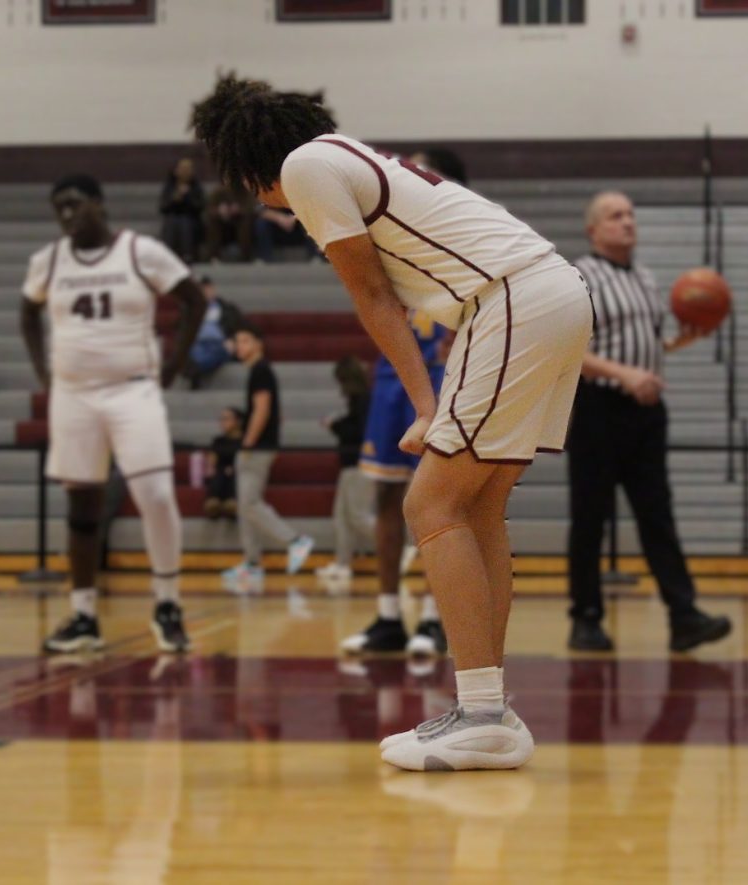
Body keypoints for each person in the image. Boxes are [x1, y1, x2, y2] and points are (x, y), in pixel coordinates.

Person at [192, 74, 594, 771]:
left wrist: (426, 404)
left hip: (511, 302)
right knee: (477, 506)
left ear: (250, 163)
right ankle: (490, 711)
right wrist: (430, 401)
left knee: (431, 502)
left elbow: (374, 298)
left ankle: (480, 713)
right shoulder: (349, 156)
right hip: (550, 293)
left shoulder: (306, 166)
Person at [20, 174, 206, 655]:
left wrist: (173, 367)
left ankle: (167, 603)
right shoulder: (48, 260)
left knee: (157, 494)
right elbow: (26, 311)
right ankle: (83, 615)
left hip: (132, 392)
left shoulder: (139, 251)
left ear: (99, 205)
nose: (66, 214)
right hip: (74, 396)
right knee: (81, 505)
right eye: (58, 207)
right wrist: (43, 372)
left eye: (74, 204)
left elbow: (194, 300)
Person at [567, 191, 732, 654]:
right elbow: (568, 350)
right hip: (599, 407)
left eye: (631, 214)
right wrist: (625, 374)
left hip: (646, 412)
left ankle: (684, 617)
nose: (628, 222)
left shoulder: (645, 276)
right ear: (593, 230)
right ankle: (585, 618)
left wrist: (684, 340)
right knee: (590, 518)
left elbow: (649, 346)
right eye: (615, 216)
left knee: (657, 515)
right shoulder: (581, 276)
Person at [339, 147, 468, 659]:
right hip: (396, 380)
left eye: (421, 170)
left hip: (448, 378)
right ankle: (389, 616)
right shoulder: (389, 233)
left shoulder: (469, 237)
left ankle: (438, 620)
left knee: (444, 504)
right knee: (387, 501)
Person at [220, 322, 315, 592]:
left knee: (249, 504)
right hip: (260, 445)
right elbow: (277, 414)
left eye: (245, 341)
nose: (240, 347)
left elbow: (263, 409)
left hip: (257, 447)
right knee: (245, 506)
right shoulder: (259, 372)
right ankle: (251, 564)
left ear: (258, 343)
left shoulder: (260, 370)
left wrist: (248, 443)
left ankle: (295, 540)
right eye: (237, 342)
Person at [315, 356, 375, 589]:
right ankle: (342, 564)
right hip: (349, 464)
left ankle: (400, 546)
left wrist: (334, 426)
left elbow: (357, 431)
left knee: (358, 516)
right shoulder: (358, 399)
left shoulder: (362, 400)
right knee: (341, 517)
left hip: (358, 464)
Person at [184, 275, 244, 388]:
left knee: (221, 350)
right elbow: (181, 330)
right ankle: (197, 366)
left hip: (219, 344)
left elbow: (239, 327)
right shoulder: (190, 311)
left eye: (208, 289)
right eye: (203, 290)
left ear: (213, 290)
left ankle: (196, 368)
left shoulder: (227, 309)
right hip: (198, 344)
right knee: (193, 351)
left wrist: (233, 340)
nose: (206, 292)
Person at [159, 158, 206, 263]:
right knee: (173, 221)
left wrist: (187, 197)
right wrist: (175, 199)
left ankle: (187, 254)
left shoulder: (196, 186)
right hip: (172, 218)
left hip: (192, 219)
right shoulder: (170, 186)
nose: (184, 172)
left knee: (185, 222)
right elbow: (163, 207)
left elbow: (200, 206)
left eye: (187, 169)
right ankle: (168, 254)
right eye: (182, 169)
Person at [203, 407, 244, 521]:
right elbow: (212, 461)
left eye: (226, 419)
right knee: (220, 472)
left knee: (233, 473)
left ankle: (232, 500)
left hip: (238, 473)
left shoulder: (245, 441)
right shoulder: (218, 440)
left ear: (238, 421)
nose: (222, 422)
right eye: (221, 419)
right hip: (220, 474)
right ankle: (214, 499)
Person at [203, 184, 255, 263]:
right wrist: (218, 211)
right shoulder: (217, 193)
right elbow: (208, 210)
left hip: (239, 223)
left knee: (245, 223)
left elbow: (251, 209)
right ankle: (213, 257)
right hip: (221, 223)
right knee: (213, 223)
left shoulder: (244, 192)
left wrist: (239, 210)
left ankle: (246, 256)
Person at [254, 205, 319, 263]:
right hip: (276, 227)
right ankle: (267, 260)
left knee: (311, 221)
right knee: (261, 224)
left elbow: (310, 208)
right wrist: (279, 218)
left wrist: (294, 218)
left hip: (299, 224)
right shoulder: (268, 193)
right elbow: (260, 210)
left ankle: (316, 258)